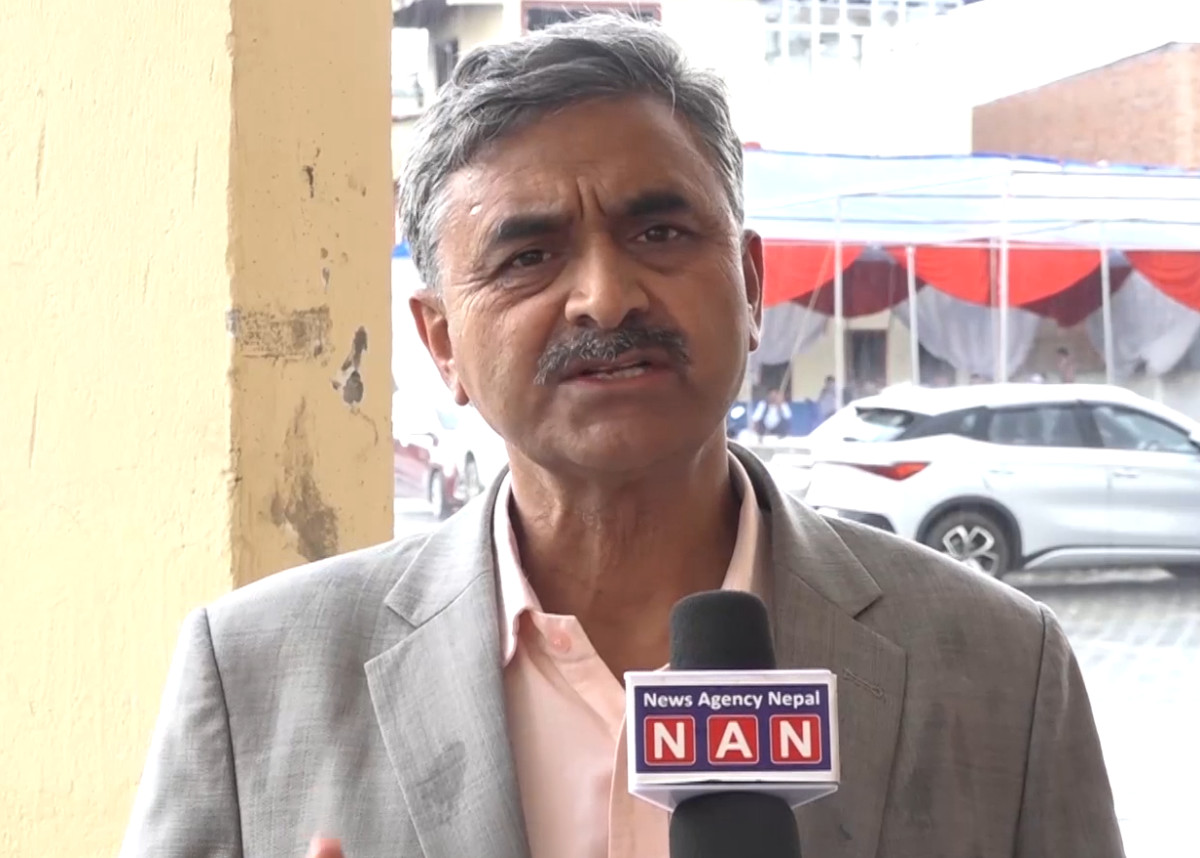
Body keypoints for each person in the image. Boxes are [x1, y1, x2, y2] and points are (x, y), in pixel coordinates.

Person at [119, 16, 1124, 858]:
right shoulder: (251, 676)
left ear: (752, 286)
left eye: (660, 233)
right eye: (528, 256)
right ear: (442, 344)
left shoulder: (1002, 668)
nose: (605, 296)